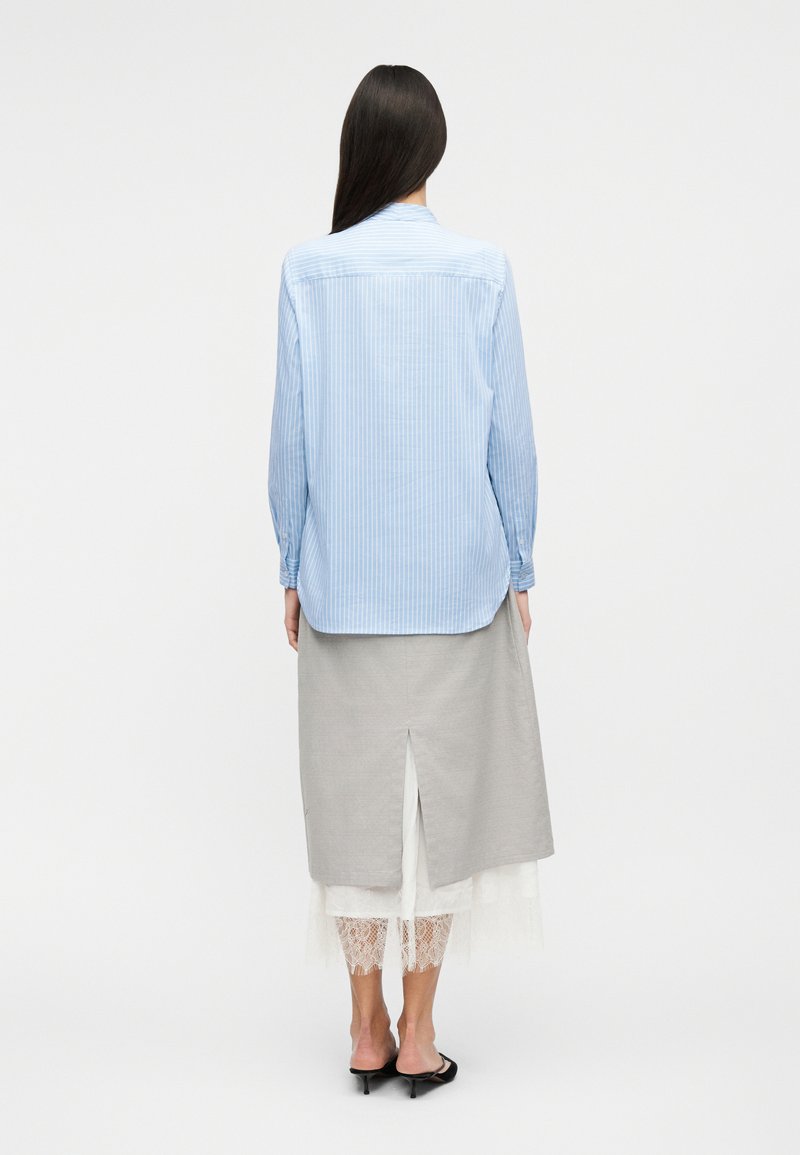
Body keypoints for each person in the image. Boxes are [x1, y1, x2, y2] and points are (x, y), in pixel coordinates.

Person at [268, 64, 555, 1098]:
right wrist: (518, 562)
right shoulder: (481, 270)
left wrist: (291, 563)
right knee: (442, 807)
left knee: (353, 803)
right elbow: (509, 437)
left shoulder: (309, 271)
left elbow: (289, 441)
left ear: (359, 148)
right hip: (458, 583)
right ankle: (421, 1033)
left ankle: (364, 1029)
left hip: (344, 584)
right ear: (431, 149)